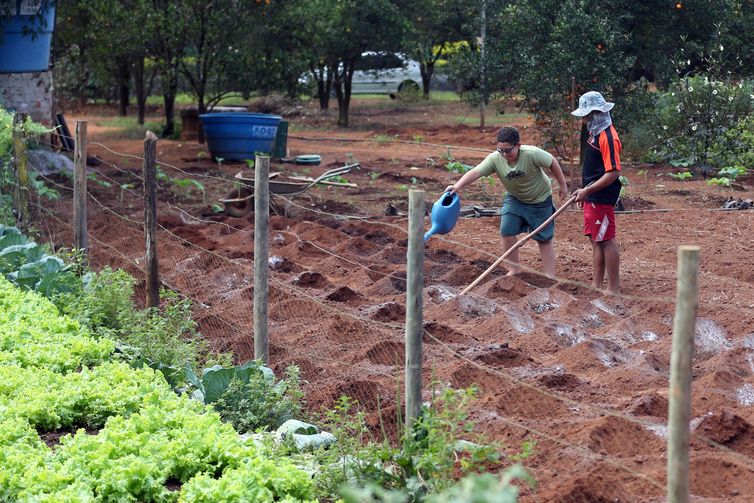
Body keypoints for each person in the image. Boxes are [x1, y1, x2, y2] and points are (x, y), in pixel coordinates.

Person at [445, 126, 568, 277]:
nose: (504, 154)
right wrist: (457, 186)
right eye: (500, 150)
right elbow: (476, 172)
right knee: (507, 230)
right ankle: (514, 269)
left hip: (540, 199)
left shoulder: (532, 154)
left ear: (518, 145)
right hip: (515, 199)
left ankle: (550, 276)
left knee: (544, 237)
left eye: (507, 150)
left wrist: (562, 184)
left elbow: (552, 162)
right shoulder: (495, 159)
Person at [570, 91, 622, 294]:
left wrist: (588, 190)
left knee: (606, 239)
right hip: (592, 195)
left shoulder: (608, 137)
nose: (583, 120)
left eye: (585, 116)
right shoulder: (596, 134)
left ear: (595, 114)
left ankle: (613, 288)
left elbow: (614, 172)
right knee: (595, 239)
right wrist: (585, 191)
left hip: (602, 196)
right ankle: (597, 285)